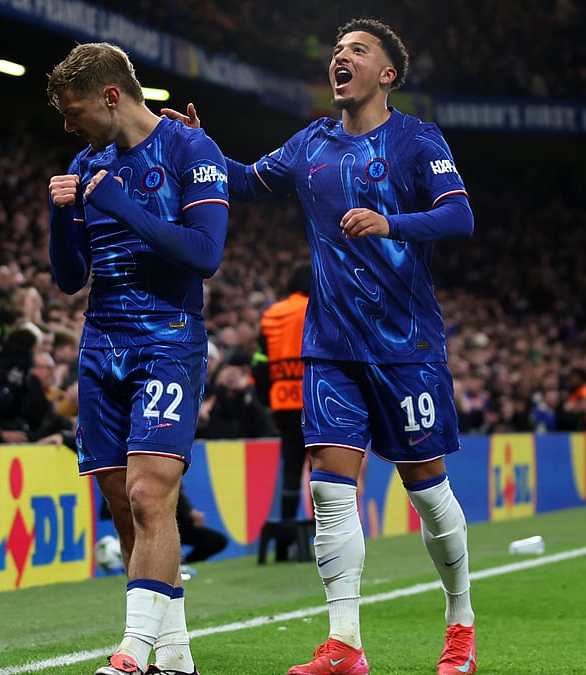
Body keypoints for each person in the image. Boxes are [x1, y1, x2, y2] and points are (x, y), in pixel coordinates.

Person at [163, 18, 476, 675]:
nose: (342, 57)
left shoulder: (418, 139)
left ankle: (460, 623)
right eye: (338, 50)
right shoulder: (311, 145)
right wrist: (198, 147)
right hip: (330, 347)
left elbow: (457, 214)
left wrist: (393, 221)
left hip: (406, 347)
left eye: (357, 50)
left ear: (387, 73)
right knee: (331, 491)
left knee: (426, 490)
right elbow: (245, 181)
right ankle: (344, 643)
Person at [47, 41, 229, 675]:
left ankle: (131, 653)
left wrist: (119, 203)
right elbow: (70, 278)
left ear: (111, 96)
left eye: (74, 111)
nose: (68, 125)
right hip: (102, 343)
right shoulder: (85, 160)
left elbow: (206, 253)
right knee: (124, 505)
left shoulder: (189, 149)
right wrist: (60, 214)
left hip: (168, 338)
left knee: (152, 495)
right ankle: (173, 654)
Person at [260, 263, 313, 554]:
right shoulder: (317, 308)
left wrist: (269, 399)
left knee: (291, 473)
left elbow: (259, 362)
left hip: (283, 404)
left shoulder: (272, 313)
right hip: (315, 401)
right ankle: (327, 538)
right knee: (323, 471)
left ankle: (283, 543)